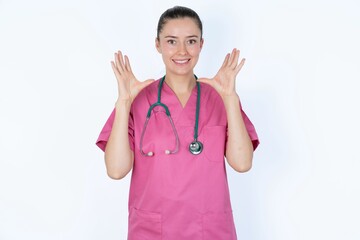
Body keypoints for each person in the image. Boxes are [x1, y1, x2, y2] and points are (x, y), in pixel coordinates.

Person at [96, 6, 259, 240]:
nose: (182, 51)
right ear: (158, 45)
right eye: (171, 41)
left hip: (210, 230)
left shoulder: (221, 98)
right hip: (152, 231)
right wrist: (123, 103)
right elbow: (116, 170)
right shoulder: (138, 99)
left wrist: (231, 98)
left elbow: (242, 163)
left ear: (201, 44)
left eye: (191, 41)